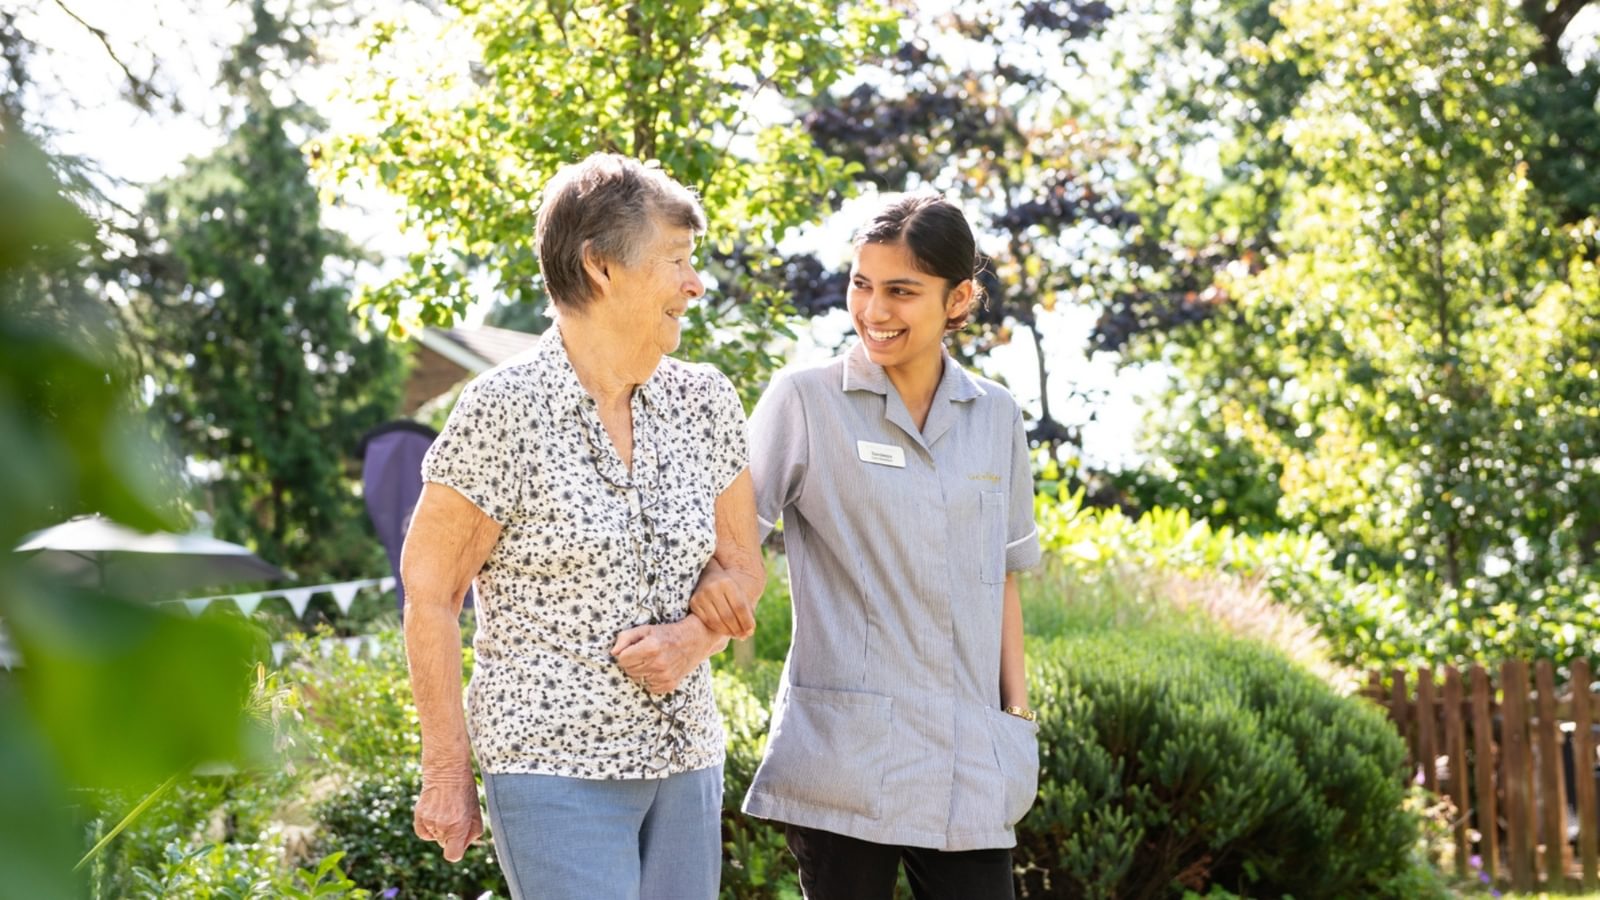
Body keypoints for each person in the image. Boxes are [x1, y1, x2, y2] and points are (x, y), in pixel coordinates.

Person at [401, 152, 765, 900]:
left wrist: (695, 637)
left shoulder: (706, 402)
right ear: (601, 268)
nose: (694, 284)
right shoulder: (502, 411)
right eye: (676, 261)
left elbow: (743, 565)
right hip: (551, 768)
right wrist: (447, 771)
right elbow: (430, 592)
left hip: (686, 757)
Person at [741, 194, 1042, 899]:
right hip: (849, 759)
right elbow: (730, 547)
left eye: (901, 291)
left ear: (958, 296)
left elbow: (1002, 574)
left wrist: (1018, 716)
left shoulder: (994, 415)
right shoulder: (804, 401)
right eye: (861, 284)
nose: (875, 310)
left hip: (969, 765)